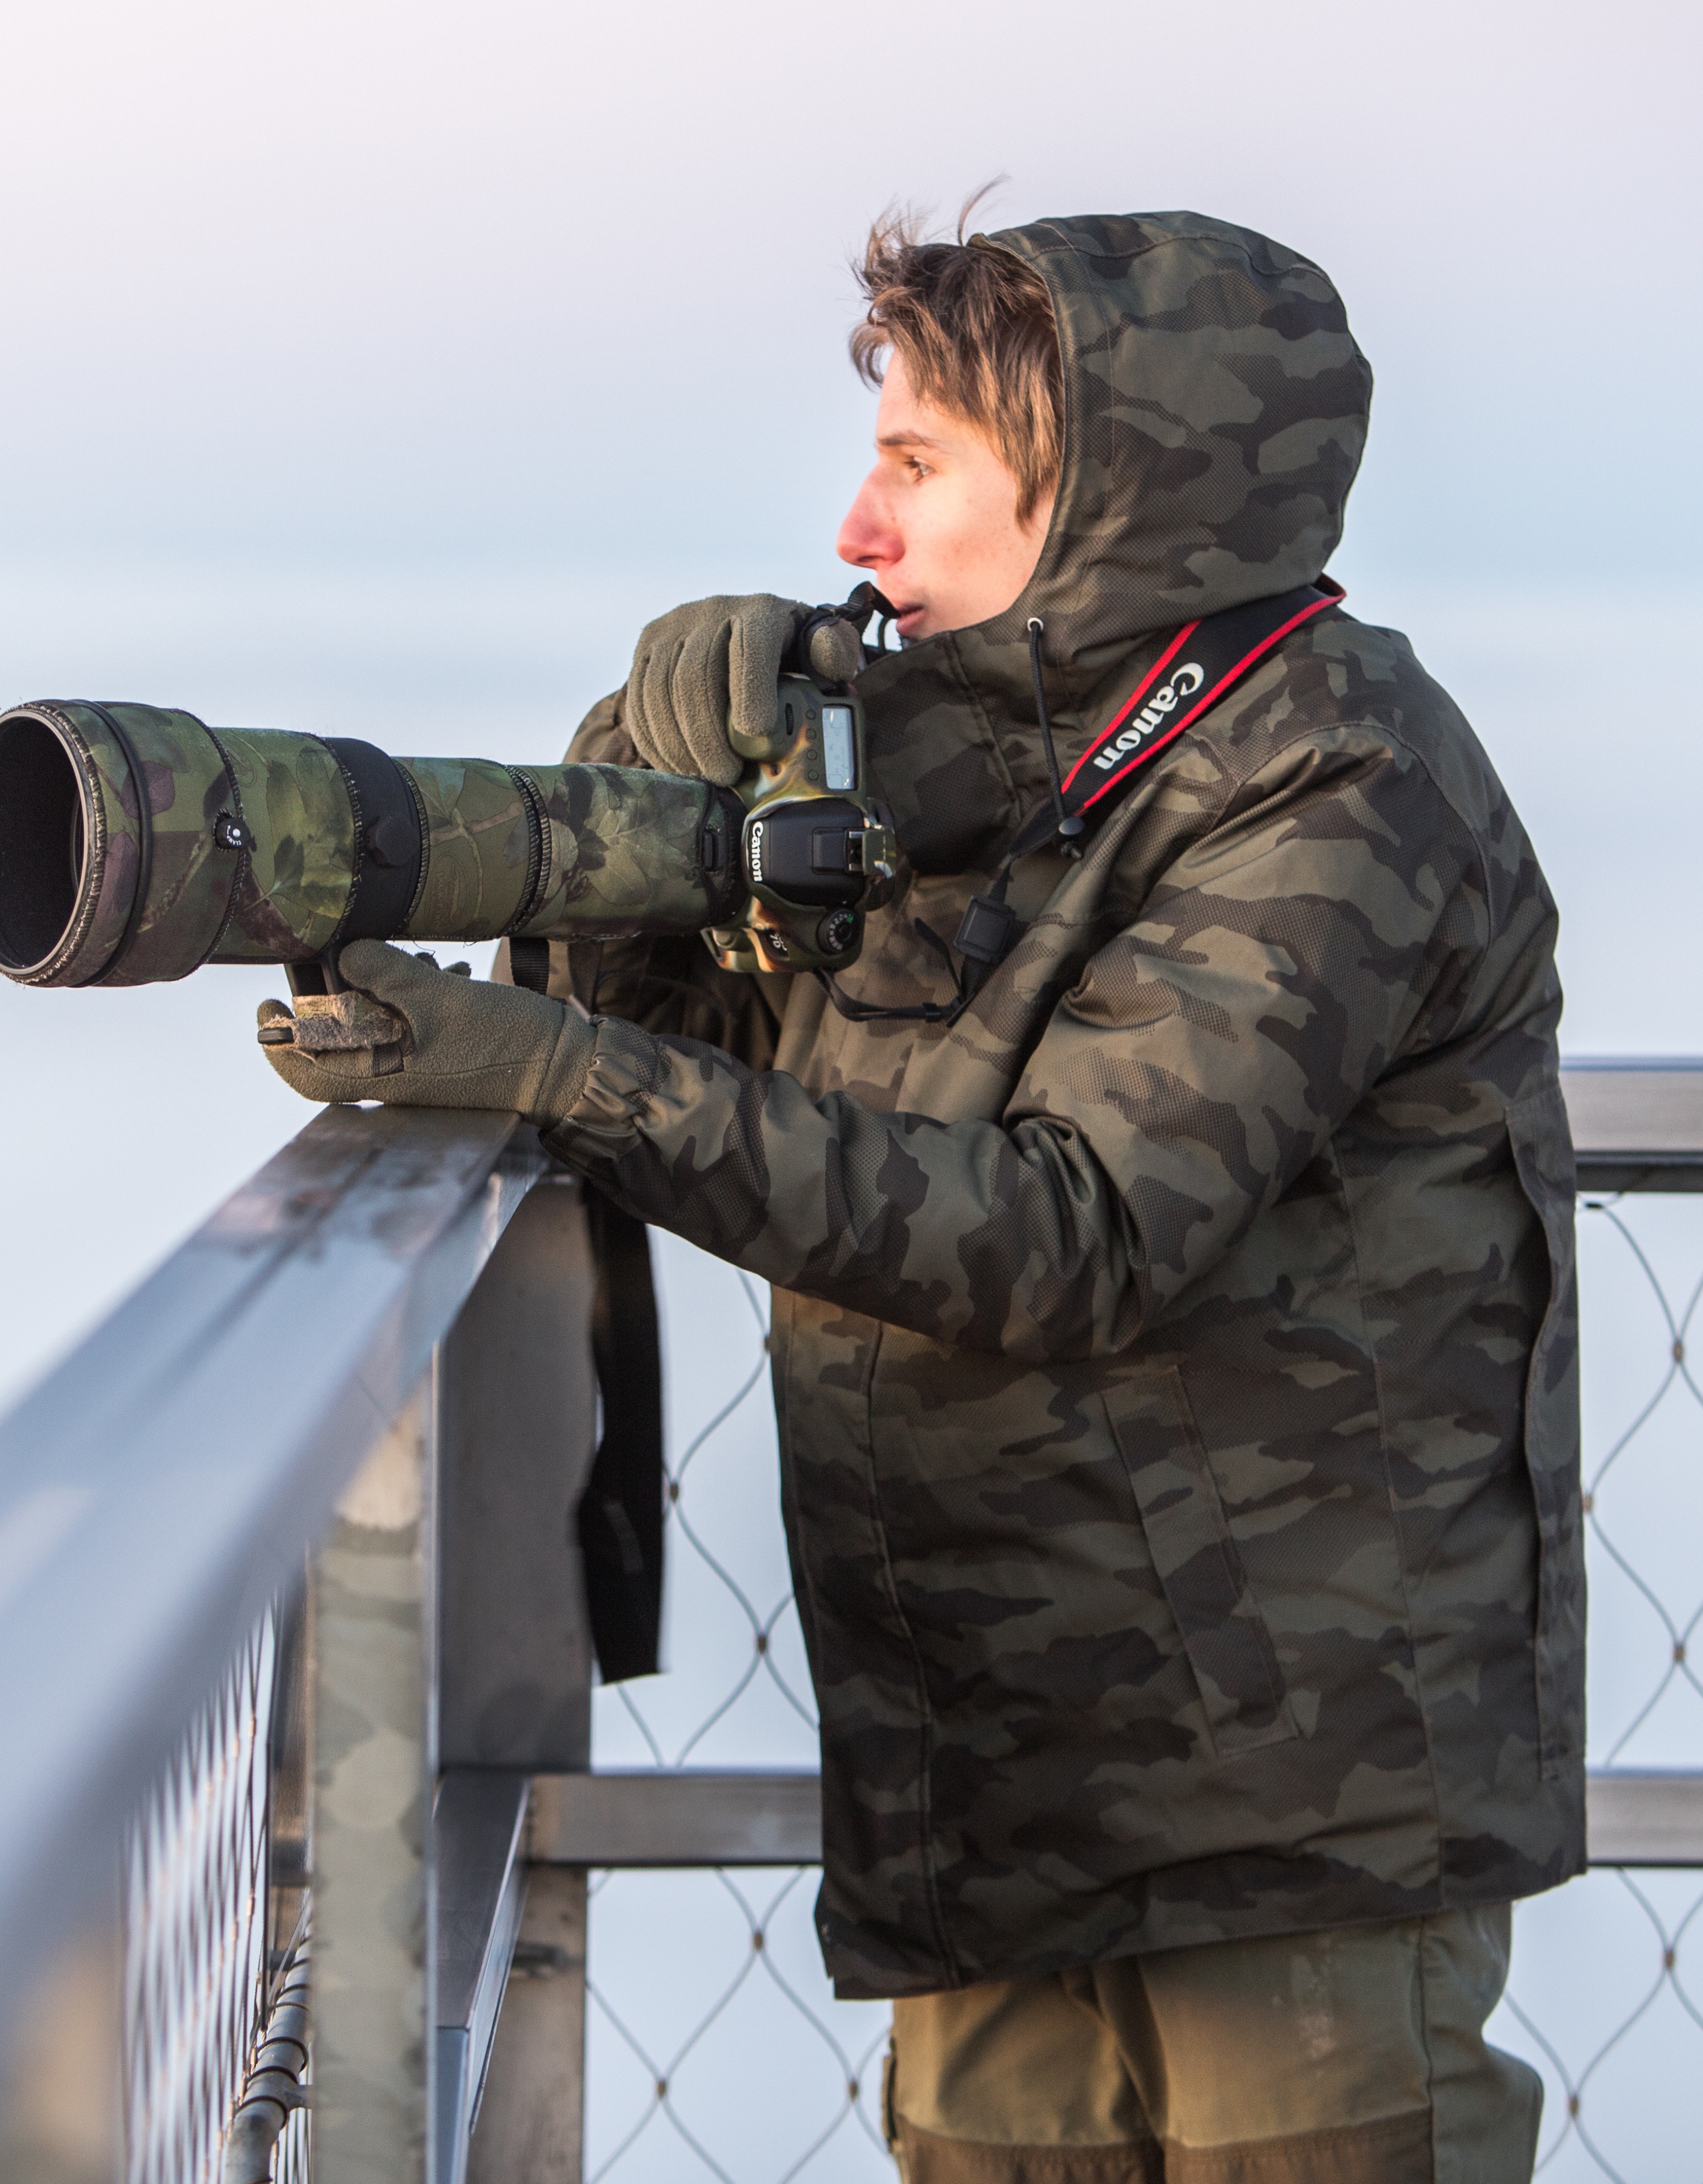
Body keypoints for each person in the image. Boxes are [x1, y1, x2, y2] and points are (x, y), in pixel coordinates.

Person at [260, 207, 1580, 2182]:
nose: (857, 528)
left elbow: (1071, 1231)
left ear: (1110, 498)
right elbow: (668, 1037)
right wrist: (646, 768)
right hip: (996, 1777)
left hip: (1291, 1817)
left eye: (917, 462)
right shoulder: (961, 773)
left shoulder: (1335, 777)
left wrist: (555, 1073)